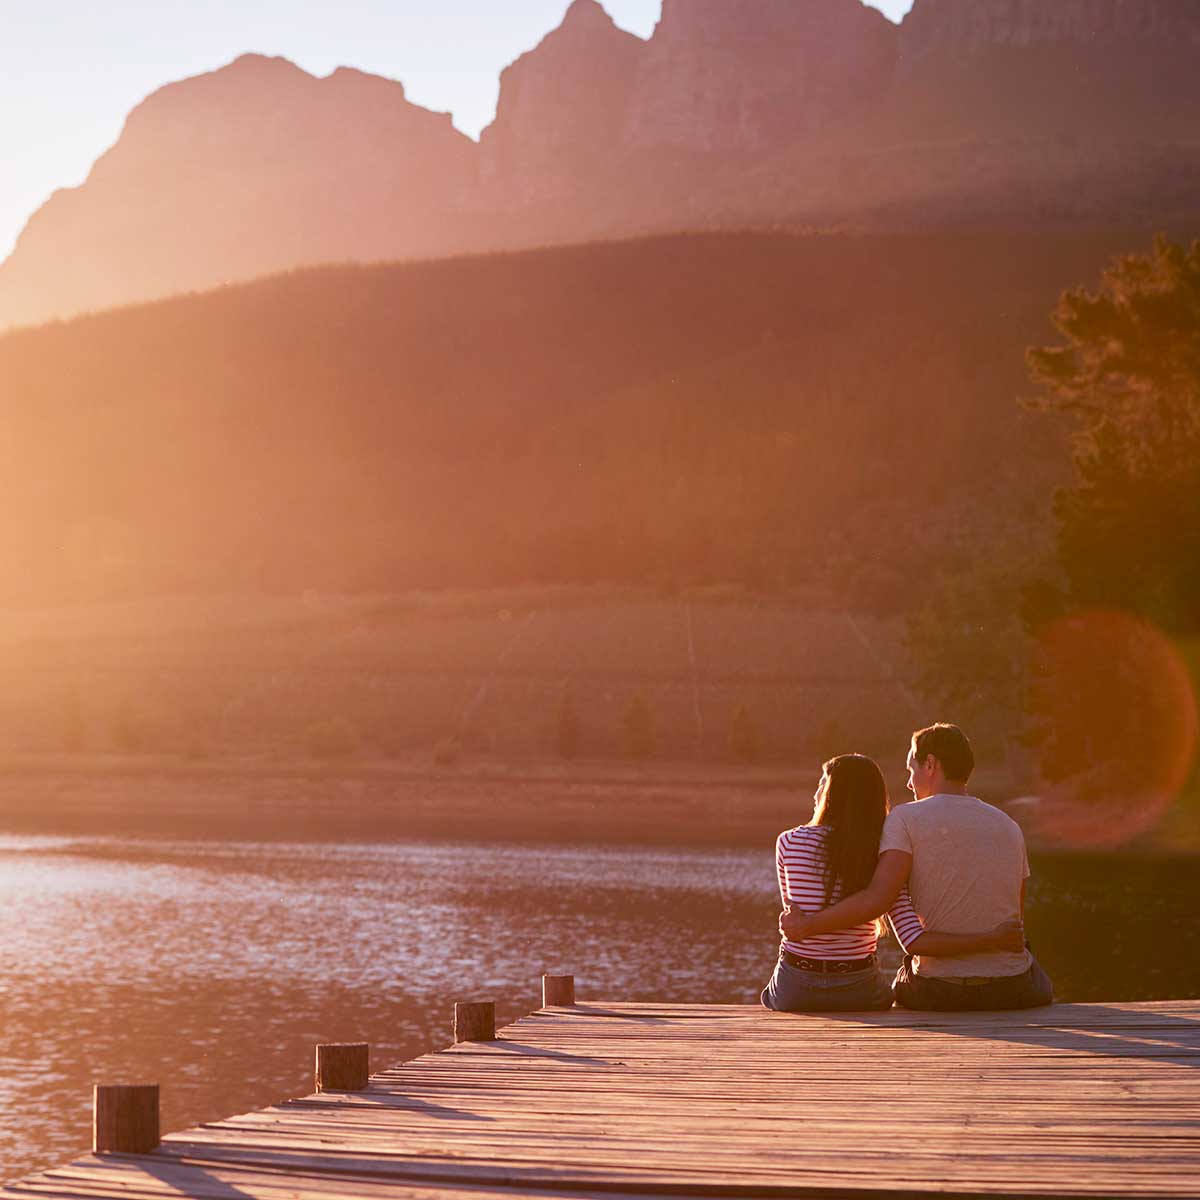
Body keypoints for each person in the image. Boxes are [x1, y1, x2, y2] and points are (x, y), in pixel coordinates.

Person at [780, 725, 1054, 1012]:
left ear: (931, 764)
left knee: (902, 979)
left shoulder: (905, 819)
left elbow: (879, 900)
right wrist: (991, 941)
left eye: (911, 769)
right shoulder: (1008, 825)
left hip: (939, 991)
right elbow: (1015, 920)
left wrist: (809, 925)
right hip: (1014, 987)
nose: (909, 783)